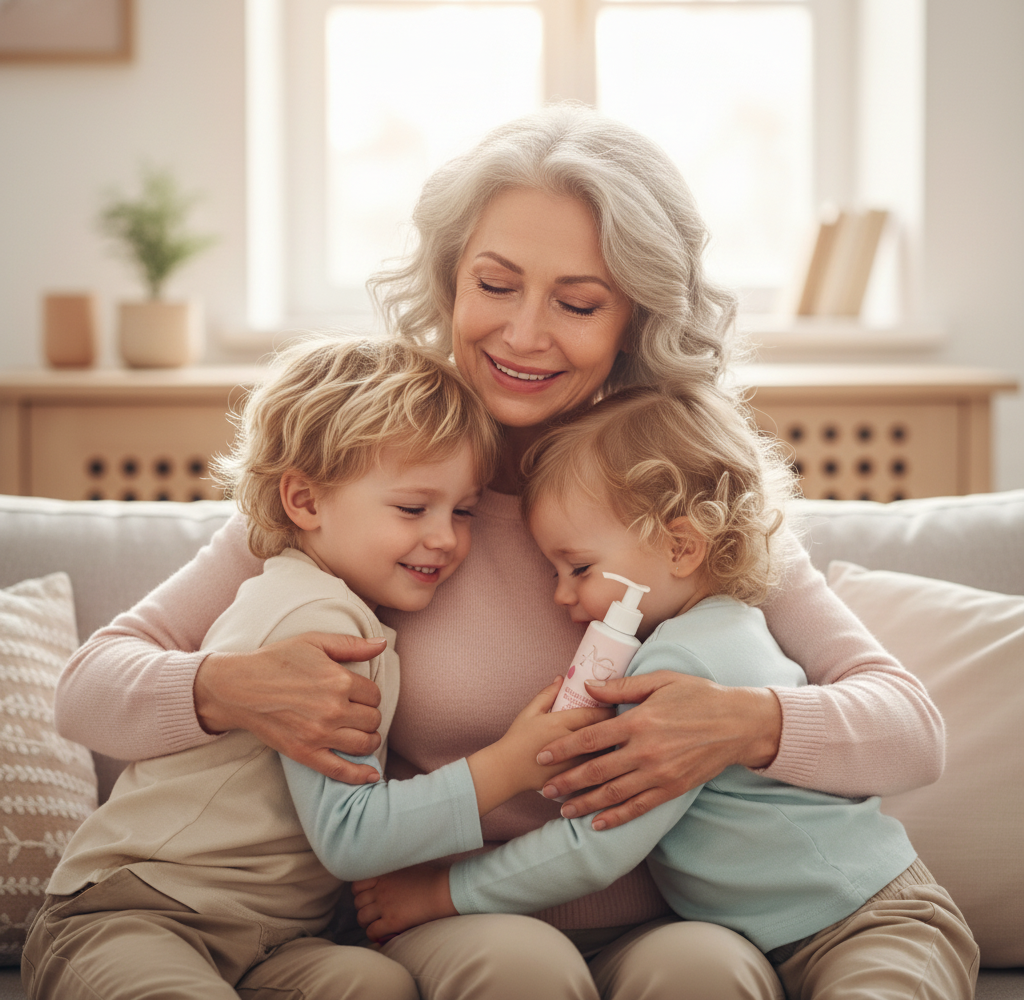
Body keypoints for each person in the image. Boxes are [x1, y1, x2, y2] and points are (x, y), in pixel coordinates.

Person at [52, 104, 946, 1000]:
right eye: (496, 284)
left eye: (578, 301)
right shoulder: (370, 486)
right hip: (451, 925)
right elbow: (93, 685)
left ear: (636, 317)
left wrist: (750, 724)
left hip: (663, 923)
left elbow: (909, 728)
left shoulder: (673, 506)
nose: (523, 333)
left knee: (703, 971)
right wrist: (226, 688)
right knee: (520, 970)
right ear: (448, 283)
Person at [350, 385, 979, 1000]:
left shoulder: (679, 663)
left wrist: (441, 892)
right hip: (788, 935)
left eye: (579, 570)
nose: (562, 596)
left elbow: (600, 840)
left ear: (681, 546)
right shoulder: (702, 625)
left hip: (871, 916)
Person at [24, 337, 598, 1000]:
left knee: (372, 983)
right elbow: (351, 836)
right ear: (303, 502)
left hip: (275, 937)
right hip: (142, 908)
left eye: (462, 511)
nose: (445, 537)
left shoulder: (356, 605)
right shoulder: (315, 616)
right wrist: (509, 766)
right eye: (414, 508)